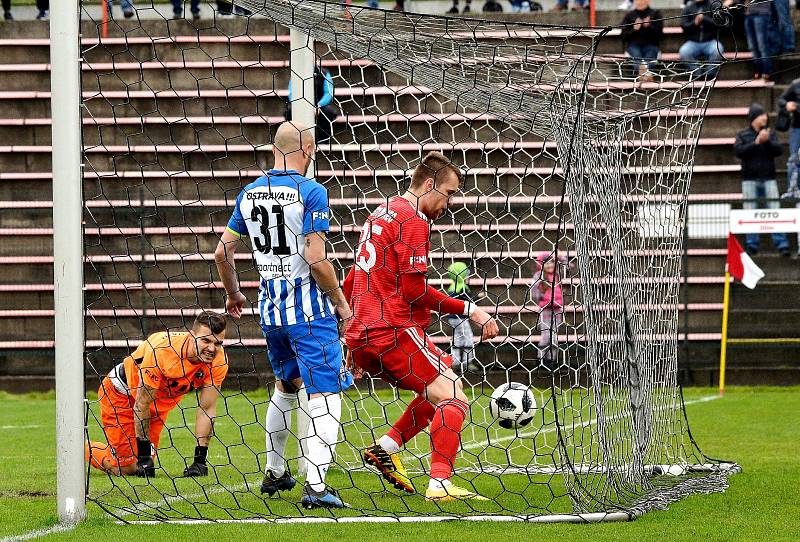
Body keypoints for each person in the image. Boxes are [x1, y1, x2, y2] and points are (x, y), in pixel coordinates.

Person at [343, 151, 500, 502]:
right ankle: (440, 484)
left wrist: (350, 331)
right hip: (391, 329)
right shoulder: (413, 219)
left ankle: (386, 448)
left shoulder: (380, 214)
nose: (451, 202)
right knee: (455, 397)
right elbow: (414, 291)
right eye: (450, 193)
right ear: (430, 184)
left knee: (441, 380)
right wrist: (471, 310)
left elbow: (355, 274)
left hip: (365, 330)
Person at [215, 121, 353, 509]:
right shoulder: (311, 191)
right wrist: (341, 302)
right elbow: (316, 258)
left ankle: (276, 471)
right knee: (325, 393)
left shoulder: (249, 193)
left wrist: (234, 293)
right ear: (307, 148)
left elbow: (222, 252)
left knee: (286, 385)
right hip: (309, 314)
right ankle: (317, 486)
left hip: (271, 312)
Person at [85, 312, 229, 477]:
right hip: (121, 393)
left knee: (139, 465)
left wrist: (200, 461)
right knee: (128, 468)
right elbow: (142, 404)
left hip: (156, 408)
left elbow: (207, 408)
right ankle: (81, 447)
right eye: (205, 340)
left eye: (218, 343)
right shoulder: (163, 351)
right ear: (191, 336)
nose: (211, 348)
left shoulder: (218, 360)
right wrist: (144, 456)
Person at [734, 103, 791, 257]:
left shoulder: (770, 134)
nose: (765, 118)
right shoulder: (742, 134)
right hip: (749, 180)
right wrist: (756, 143)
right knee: (750, 213)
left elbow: (778, 150)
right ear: (754, 118)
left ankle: (782, 244)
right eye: (762, 115)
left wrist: (766, 142)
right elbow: (739, 152)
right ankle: (752, 244)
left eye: (765, 115)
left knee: (774, 211)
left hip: (768, 178)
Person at [285, 66, 339, 145]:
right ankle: (295, 142)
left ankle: (323, 142)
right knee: (288, 114)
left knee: (328, 114)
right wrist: (301, 106)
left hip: (319, 106)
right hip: (300, 106)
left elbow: (329, 93)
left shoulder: (324, 72)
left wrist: (319, 105)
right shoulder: (296, 72)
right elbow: (291, 93)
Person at [530, 253, 565, 369]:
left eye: (552, 262)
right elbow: (534, 292)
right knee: (546, 335)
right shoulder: (538, 276)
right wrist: (543, 297)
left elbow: (569, 266)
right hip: (545, 309)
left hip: (557, 309)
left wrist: (559, 257)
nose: (550, 265)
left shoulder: (557, 274)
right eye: (547, 263)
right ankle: (540, 359)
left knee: (554, 336)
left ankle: (552, 360)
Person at [445, 262, 478, 374]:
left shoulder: (451, 288)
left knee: (457, 338)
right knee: (468, 337)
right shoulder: (462, 288)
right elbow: (469, 303)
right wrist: (478, 297)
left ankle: (455, 362)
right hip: (461, 318)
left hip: (452, 318)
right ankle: (467, 362)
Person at [679, 0, 724, 80]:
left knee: (718, 50)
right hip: (693, 42)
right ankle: (697, 74)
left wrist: (704, 19)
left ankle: (709, 75)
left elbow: (719, 24)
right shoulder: (688, 7)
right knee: (684, 51)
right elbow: (684, 26)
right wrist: (695, 23)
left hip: (710, 41)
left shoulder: (713, 5)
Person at [620, 0, 664, 81]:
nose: (640, 2)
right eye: (638, 0)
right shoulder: (629, 15)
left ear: (648, 1)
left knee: (650, 54)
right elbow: (623, 36)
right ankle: (646, 74)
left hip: (651, 44)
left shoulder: (655, 14)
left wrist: (650, 26)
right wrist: (634, 29)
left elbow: (660, 35)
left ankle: (643, 73)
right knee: (636, 55)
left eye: (643, 0)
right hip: (633, 45)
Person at [777, 78, 800, 200]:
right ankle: (793, 190)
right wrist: (787, 105)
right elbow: (781, 100)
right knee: (794, 159)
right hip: (797, 128)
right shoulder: (796, 84)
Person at [742, 0, 773, 80]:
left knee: (762, 44)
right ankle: (758, 71)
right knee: (752, 46)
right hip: (748, 13)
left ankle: (766, 72)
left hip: (761, 13)